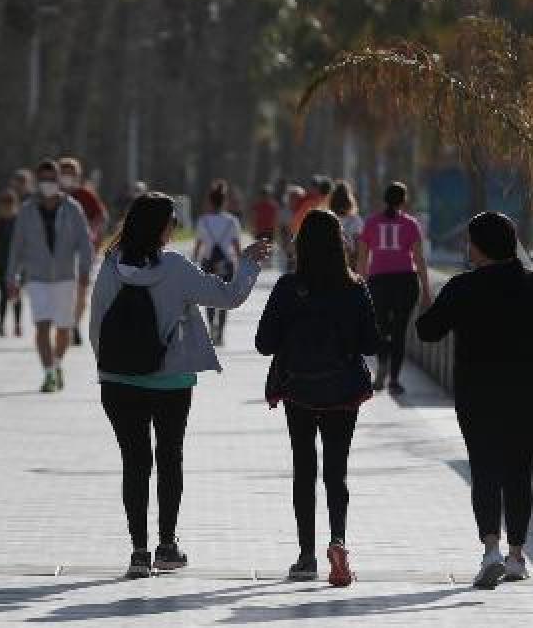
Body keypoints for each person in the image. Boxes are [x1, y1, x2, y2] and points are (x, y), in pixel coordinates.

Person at [90, 192, 269, 578]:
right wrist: (249, 264)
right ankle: (167, 545)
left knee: (134, 463)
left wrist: (108, 368)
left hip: (118, 382)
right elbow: (229, 297)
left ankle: (138, 551)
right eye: (171, 222)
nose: (174, 229)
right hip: (171, 381)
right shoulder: (175, 267)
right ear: (160, 228)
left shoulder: (109, 266)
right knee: (169, 457)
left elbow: (96, 325)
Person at [416, 211, 533, 589]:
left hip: (476, 389)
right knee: (518, 470)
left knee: (484, 469)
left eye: (470, 242)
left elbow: (428, 332)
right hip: (526, 388)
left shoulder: (462, 287)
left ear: (479, 248)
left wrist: (426, 298)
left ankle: (490, 551)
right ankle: (516, 556)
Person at [255, 209, 379, 588]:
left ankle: (306, 556)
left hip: (300, 390)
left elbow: (263, 344)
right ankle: (338, 541)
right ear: (340, 243)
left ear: (301, 245)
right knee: (336, 472)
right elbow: (372, 343)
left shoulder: (288, 288)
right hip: (342, 391)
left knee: (304, 469)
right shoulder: (356, 287)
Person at [6, 159, 95, 393]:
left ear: (58, 181)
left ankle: (57, 364)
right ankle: (48, 374)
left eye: (52, 179)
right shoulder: (26, 211)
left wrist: (85, 270)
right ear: (37, 181)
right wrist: (12, 278)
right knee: (42, 326)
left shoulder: (72, 208)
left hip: (65, 278)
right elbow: (17, 247)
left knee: (64, 330)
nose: (48, 184)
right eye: (43, 179)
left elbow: (85, 243)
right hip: (37, 278)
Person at [356, 182, 432, 394]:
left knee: (381, 329)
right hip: (405, 282)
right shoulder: (410, 224)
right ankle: (395, 380)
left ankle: (381, 366)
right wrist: (426, 289)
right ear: (403, 200)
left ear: (385, 199)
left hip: (379, 282)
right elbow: (419, 259)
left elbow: (362, 259)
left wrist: (360, 285)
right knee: (399, 332)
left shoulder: (371, 223)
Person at [59, 157, 109, 346]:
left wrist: (92, 234)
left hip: (82, 251)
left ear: (77, 175)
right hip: (58, 255)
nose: (67, 177)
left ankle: (74, 325)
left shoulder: (84, 195)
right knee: (63, 291)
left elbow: (101, 217)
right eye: (64, 172)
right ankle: (64, 323)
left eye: (71, 173)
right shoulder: (51, 198)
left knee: (81, 291)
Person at [190, 180, 244, 346]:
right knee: (224, 297)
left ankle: (211, 326)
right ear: (224, 201)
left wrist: (193, 261)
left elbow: (198, 245)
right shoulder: (232, 221)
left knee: (209, 297)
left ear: (210, 201)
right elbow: (236, 246)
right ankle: (220, 331)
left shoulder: (203, 221)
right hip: (226, 263)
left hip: (208, 262)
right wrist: (241, 264)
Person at [0, 189, 23, 337]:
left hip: (17, 262)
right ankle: (1, 323)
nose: (7, 206)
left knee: (16, 292)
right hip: (0, 261)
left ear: (15, 204)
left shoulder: (19, 220)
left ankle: (17, 324)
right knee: (2, 293)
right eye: (4, 203)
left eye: (10, 203)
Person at [329, 180, 363, 265]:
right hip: (349, 264)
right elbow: (358, 244)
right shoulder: (356, 220)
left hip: (331, 262)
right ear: (350, 200)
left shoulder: (327, 219)